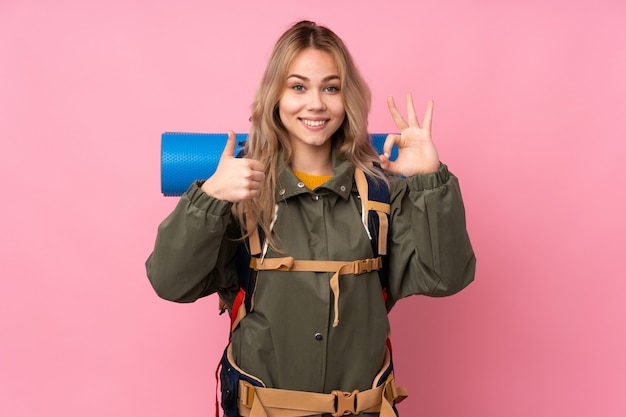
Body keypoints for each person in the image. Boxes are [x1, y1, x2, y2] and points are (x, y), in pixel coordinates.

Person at [146, 20, 475, 417]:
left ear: (346, 98)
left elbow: (447, 278)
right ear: (276, 97)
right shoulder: (236, 191)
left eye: (330, 88)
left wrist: (429, 180)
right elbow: (170, 283)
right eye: (298, 87)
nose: (315, 103)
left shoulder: (384, 194)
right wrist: (210, 198)